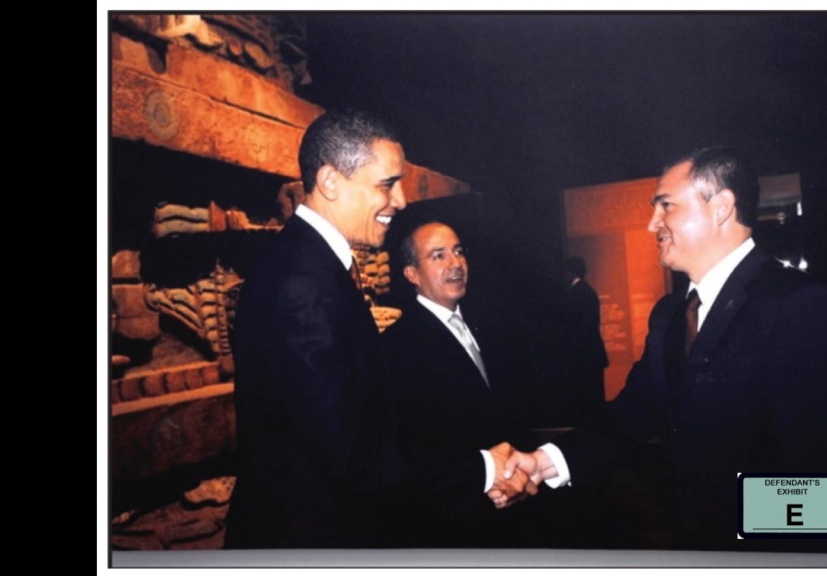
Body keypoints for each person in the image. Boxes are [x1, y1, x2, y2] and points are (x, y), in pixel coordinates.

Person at [502, 146, 827, 548]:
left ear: (721, 207)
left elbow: (822, 485)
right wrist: (541, 462)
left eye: (666, 206)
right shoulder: (670, 315)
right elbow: (630, 416)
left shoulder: (802, 306)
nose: (651, 223)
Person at [225, 110, 532, 548]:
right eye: (387, 184)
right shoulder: (300, 284)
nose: (402, 200)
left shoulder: (313, 268)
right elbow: (352, 455)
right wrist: (483, 469)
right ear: (330, 182)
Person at [381, 222, 531, 546]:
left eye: (458, 251)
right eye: (438, 256)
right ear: (412, 274)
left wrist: (517, 477)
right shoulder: (397, 347)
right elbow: (411, 451)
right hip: (451, 526)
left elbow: (511, 411)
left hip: (510, 513)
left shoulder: (489, 325)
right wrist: (488, 477)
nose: (455, 264)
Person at [561, 257, 609, 424]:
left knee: (588, 402)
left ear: (569, 271)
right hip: (590, 355)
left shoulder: (578, 293)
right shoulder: (585, 291)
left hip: (584, 357)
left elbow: (580, 328)